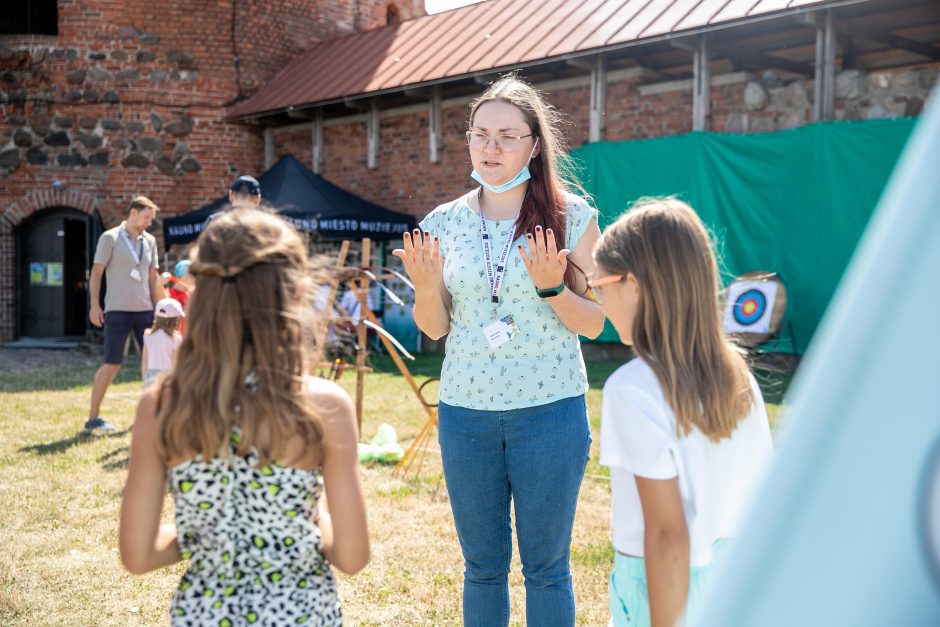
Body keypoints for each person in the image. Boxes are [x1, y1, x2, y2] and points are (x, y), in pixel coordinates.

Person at [392, 74, 605, 626]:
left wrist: (553, 288)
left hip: (550, 412)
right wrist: (422, 286)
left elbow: (597, 324)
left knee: (547, 568)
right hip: (466, 416)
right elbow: (435, 329)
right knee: (482, 567)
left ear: (534, 145)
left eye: (507, 136)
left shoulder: (572, 216)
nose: (491, 147)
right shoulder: (443, 222)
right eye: (480, 134)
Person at [119, 208, 369, 624]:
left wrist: (215, 531)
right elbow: (353, 554)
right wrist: (294, 527)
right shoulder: (325, 405)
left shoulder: (161, 403)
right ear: (296, 292)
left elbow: (138, 554)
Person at [591, 198, 774, 627]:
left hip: (663, 592)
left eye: (601, 285)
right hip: (738, 579)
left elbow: (669, 536)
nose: (598, 300)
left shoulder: (631, 390)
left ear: (634, 284)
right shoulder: (740, 376)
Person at [86, 195, 162, 431]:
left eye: (151, 218)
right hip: (117, 310)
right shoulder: (110, 238)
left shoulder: (149, 241)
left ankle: (151, 417)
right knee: (112, 363)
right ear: (133, 213)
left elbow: (153, 277)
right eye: (147, 217)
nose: (149, 223)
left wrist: (160, 309)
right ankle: (93, 419)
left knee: (153, 365)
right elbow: (97, 273)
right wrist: (95, 305)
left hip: (145, 312)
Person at [141, 297, 184, 389]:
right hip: (168, 376)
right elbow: (176, 362)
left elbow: (145, 362)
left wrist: (145, 379)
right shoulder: (176, 339)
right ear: (176, 320)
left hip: (151, 376)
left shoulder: (148, 336)